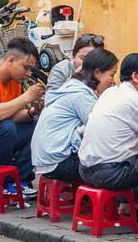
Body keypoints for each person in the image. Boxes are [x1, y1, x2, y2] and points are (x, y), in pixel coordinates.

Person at [79, 52, 138, 203]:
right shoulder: (136, 101)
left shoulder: (110, 92)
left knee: (133, 155)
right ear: (135, 77)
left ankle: (128, 205)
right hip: (109, 174)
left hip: (85, 169)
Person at [32, 48, 118, 185]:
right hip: (59, 162)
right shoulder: (81, 95)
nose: (113, 81)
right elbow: (100, 129)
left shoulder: (73, 86)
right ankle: (121, 204)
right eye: (112, 75)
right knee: (117, 165)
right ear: (97, 73)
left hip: (46, 160)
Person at [0, 37, 46, 197]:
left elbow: (15, 116)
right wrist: (25, 98)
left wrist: (33, 111)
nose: (28, 73)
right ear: (11, 60)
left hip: (3, 134)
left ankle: (17, 180)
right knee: (6, 127)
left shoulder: (14, 83)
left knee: (36, 125)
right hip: (2, 132)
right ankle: (1, 181)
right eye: (26, 67)